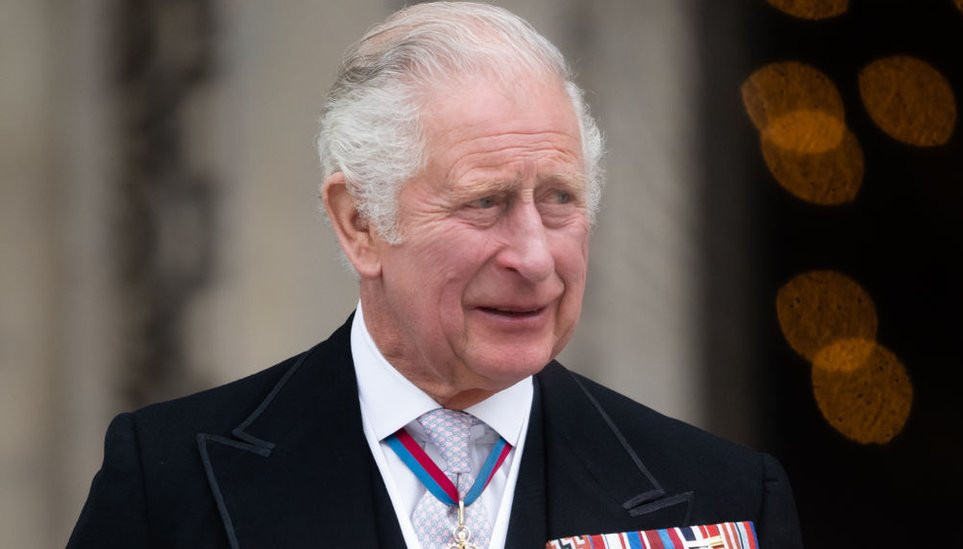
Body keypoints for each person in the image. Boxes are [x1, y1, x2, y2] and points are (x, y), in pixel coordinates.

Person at [67, 3, 802, 548]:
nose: (534, 257)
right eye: (485, 202)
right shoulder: (170, 482)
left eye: (560, 200)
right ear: (360, 222)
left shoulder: (724, 495)